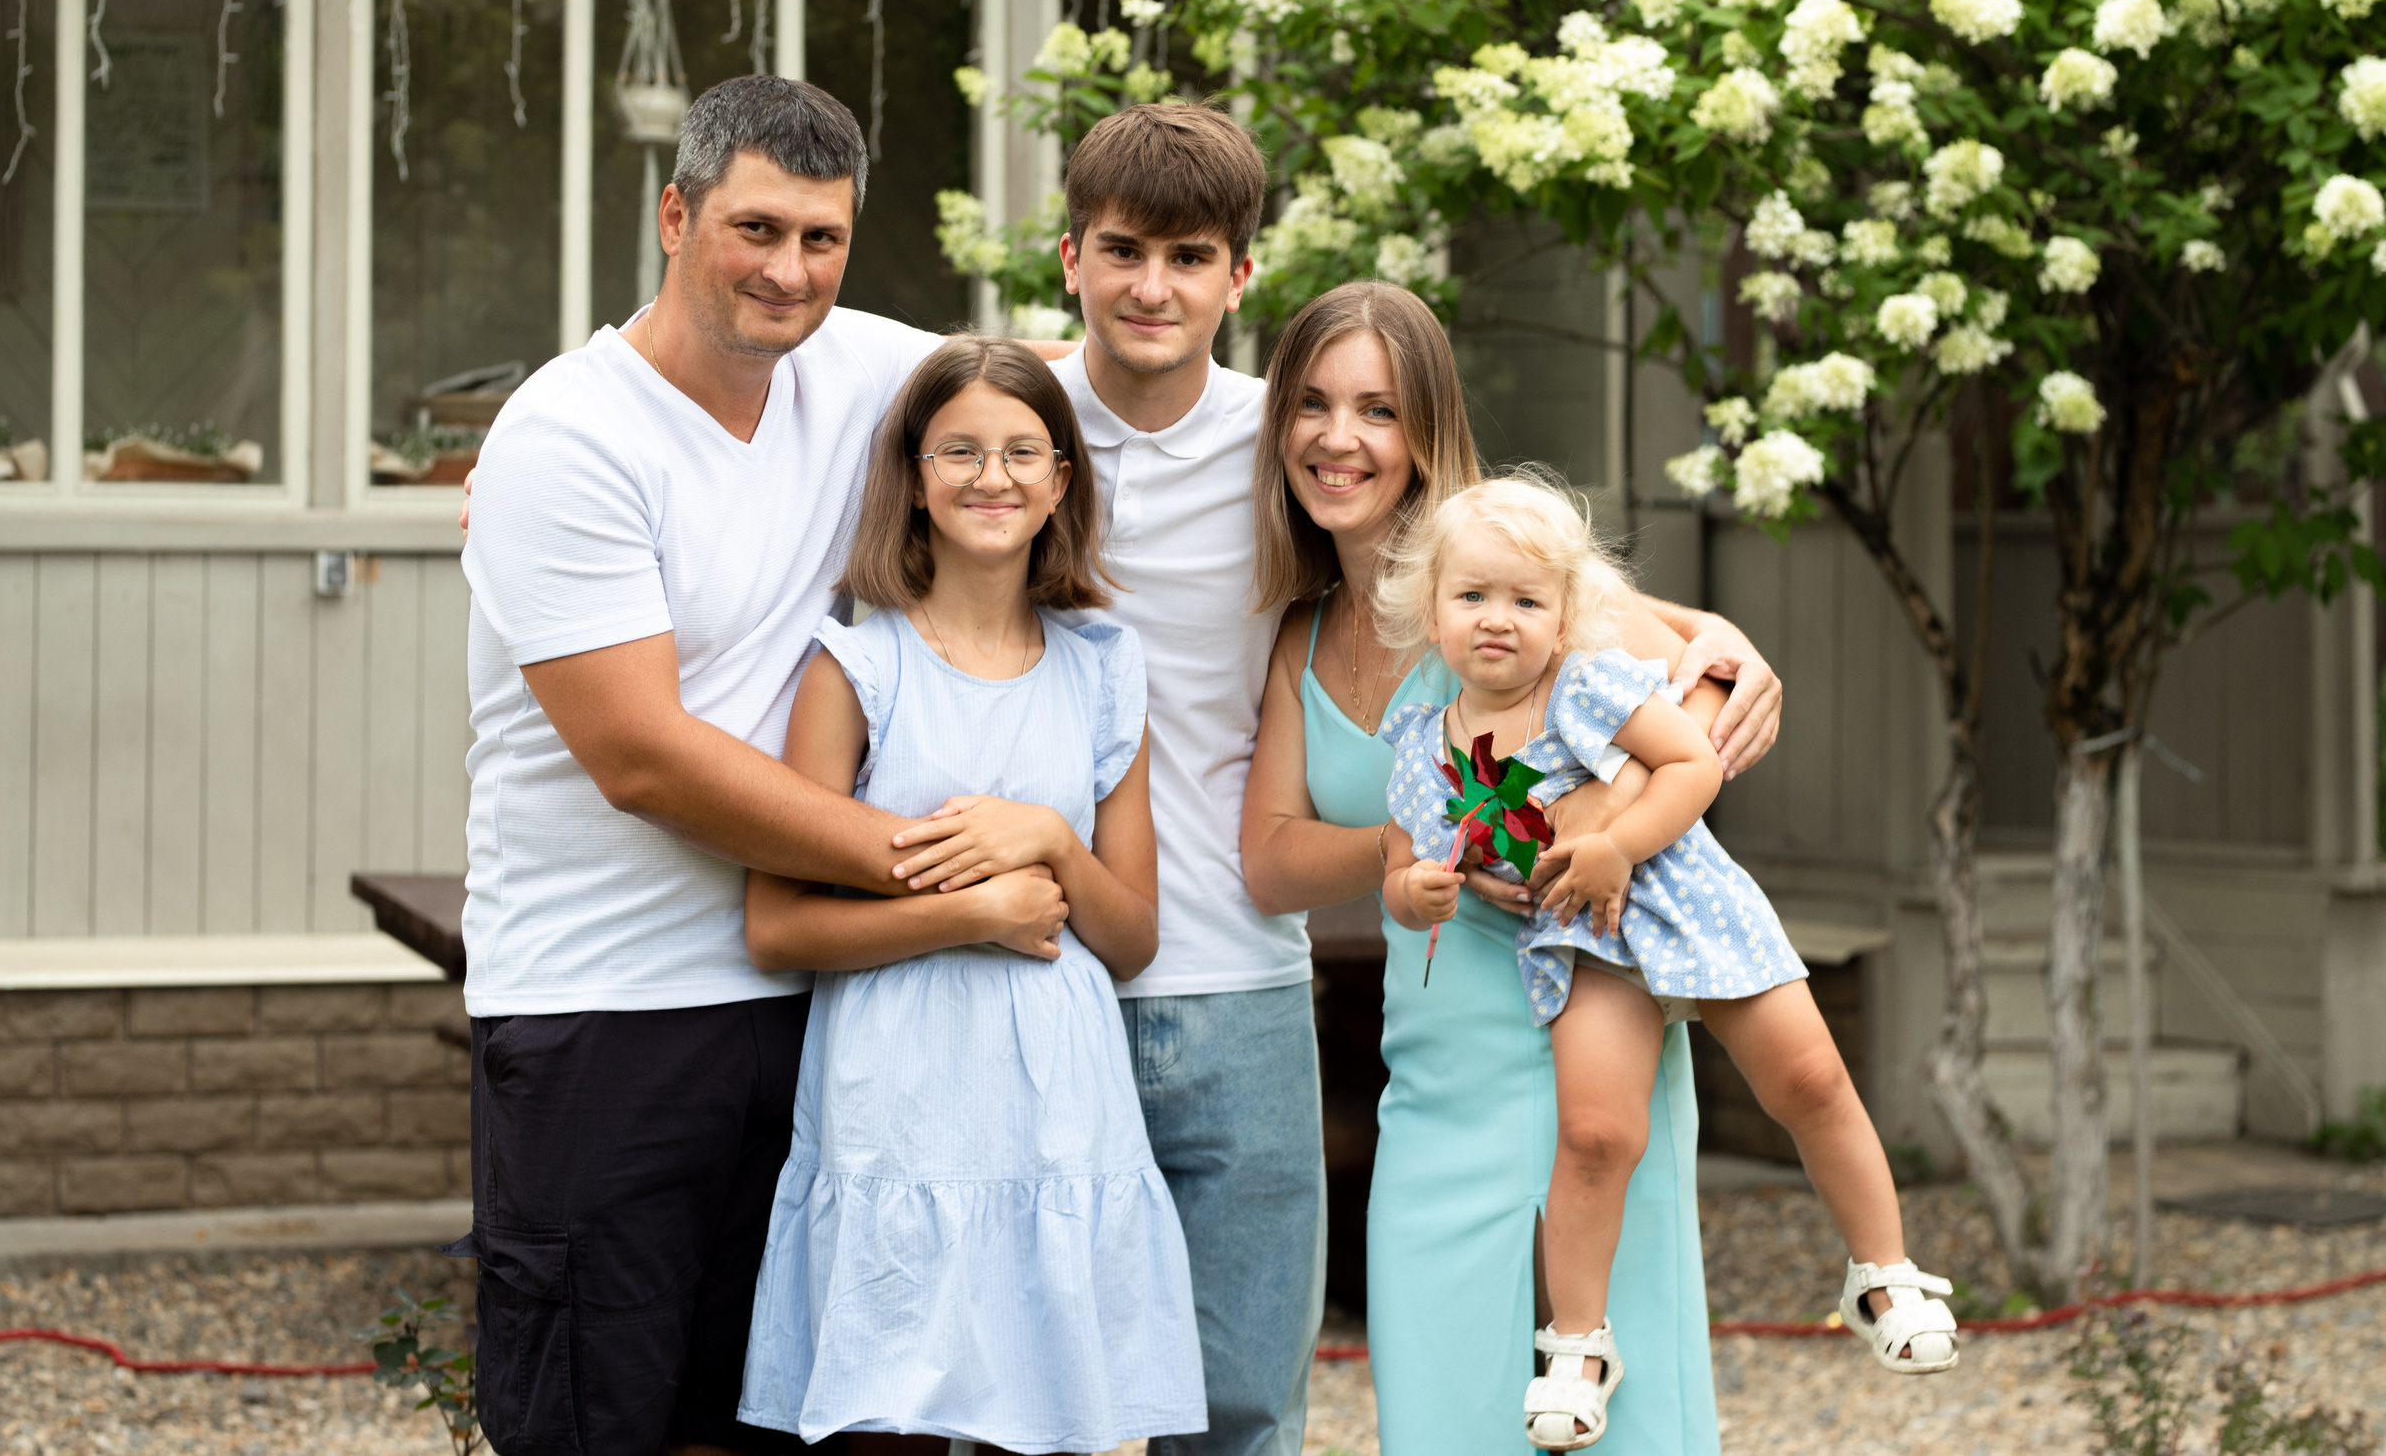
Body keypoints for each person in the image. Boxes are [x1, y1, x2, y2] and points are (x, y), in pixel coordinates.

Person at [895, 103, 1781, 1456]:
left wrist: (1710, 658)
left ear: (1237, 276)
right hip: (1083, 978)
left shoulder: (1364, 505)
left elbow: (1617, 636)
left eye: (1189, 257)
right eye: (1123, 251)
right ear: (1069, 257)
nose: (1337, 434)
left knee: (1305, 1404)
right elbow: (836, 383)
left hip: (1468, 1021)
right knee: (1028, 1401)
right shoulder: (1032, 440)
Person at [456, 76, 1061, 1456]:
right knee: (594, 1416)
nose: (789, 270)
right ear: (677, 217)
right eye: (757, 229)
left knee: (791, 1412)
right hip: (608, 1005)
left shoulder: (863, 371)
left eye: (821, 238)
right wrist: (943, 871)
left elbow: (1089, 399)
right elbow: (643, 758)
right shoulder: (568, 437)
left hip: (811, 1001)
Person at [1237, 282, 1745, 1455]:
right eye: (1311, 404)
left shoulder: (1507, 587)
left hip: (1590, 1063)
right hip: (1436, 1090)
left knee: (1620, 1423)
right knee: (1445, 1419)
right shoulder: (1300, 636)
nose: (1339, 438)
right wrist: (1418, 845)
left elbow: (1706, 700)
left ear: (1426, 429)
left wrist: (1597, 816)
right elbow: (1267, 859)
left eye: (1378, 409)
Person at [1376, 472, 1956, 1449]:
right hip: (1587, 938)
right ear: (1430, 612)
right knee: (1596, 1135)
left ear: (1565, 617)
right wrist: (1421, 892)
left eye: (1526, 601)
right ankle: (1577, 1344)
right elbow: (1401, 865)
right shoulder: (1422, 748)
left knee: (1810, 1079)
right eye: (1472, 596)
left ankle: (1882, 1274)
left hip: (1686, 903)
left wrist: (1617, 841)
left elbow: (1691, 761)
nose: (1497, 619)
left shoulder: (1584, 683)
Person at [732, 336, 1206, 1454]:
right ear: (914, 476)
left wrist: (1052, 842)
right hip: (898, 1104)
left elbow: (1133, 936)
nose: (992, 477)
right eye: (959, 451)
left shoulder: (1102, 667)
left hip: (1056, 1111)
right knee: (883, 1418)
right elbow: (776, 926)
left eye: (1021, 452)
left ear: (1060, 481)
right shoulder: (857, 667)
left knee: (1043, 1423)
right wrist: (969, 912)